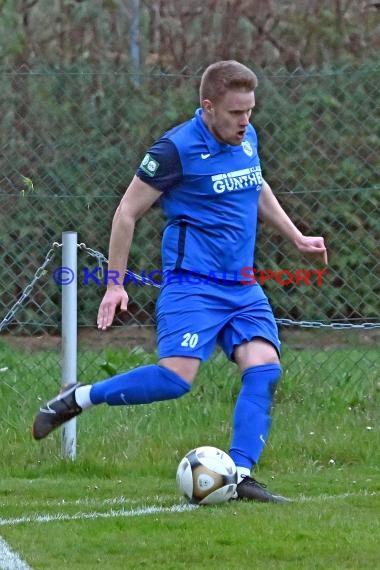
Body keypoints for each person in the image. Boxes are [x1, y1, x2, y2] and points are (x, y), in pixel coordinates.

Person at [32, 60, 327, 503]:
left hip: (243, 287)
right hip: (193, 285)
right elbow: (126, 213)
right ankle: (80, 398)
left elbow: (256, 184)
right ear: (208, 107)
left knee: (263, 370)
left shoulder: (247, 138)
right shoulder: (174, 150)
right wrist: (115, 284)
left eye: (250, 111)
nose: (245, 121)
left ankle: (239, 475)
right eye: (234, 113)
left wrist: (297, 236)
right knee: (176, 379)